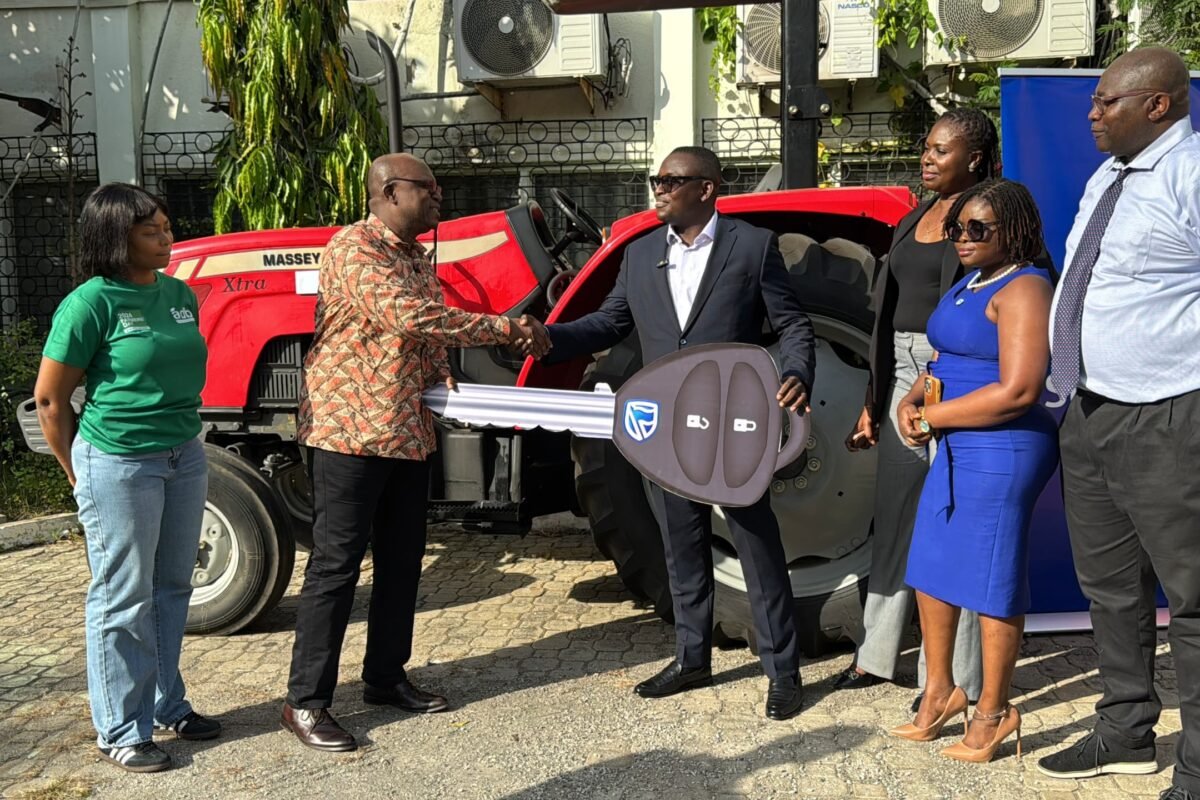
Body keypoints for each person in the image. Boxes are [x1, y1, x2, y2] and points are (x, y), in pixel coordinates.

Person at [281, 153, 550, 752]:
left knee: (402, 563)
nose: (438, 198)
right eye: (428, 190)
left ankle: (384, 677)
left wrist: (440, 373)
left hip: (406, 430)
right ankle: (305, 701)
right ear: (390, 191)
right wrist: (508, 327)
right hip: (349, 432)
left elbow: (421, 338)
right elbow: (409, 315)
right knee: (336, 568)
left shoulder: (416, 258)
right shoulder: (354, 249)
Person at [541, 146, 815, 720]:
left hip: (731, 427)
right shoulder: (640, 256)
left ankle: (783, 672)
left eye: (670, 180)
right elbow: (609, 322)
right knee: (680, 542)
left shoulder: (752, 246)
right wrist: (548, 338)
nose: (657, 188)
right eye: (655, 179)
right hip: (668, 427)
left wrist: (795, 371)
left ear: (707, 189)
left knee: (756, 545)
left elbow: (791, 323)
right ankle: (692, 659)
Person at [1036, 48, 1200, 800]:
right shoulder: (1110, 176)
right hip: (1089, 407)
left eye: (1106, 102)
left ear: (1157, 106)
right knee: (1111, 587)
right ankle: (1126, 731)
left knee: (1191, 598)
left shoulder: (1191, 175)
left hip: (1169, 414)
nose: (1092, 114)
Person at [33, 183, 218, 773]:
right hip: (117, 461)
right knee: (122, 597)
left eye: (166, 228)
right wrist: (76, 473)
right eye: (151, 231)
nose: (166, 239)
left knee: (172, 588)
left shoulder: (178, 293)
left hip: (182, 454)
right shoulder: (90, 303)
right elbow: (49, 400)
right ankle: (119, 729)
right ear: (116, 237)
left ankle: (168, 705)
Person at [887, 178, 1058, 763]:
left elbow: (1020, 389)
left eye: (977, 229)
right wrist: (912, 400)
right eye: (958, 228)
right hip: (956, 441)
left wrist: (933, 414)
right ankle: (939, 692)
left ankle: (994, 711)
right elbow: (943, 357)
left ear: (1012, 231)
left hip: (1003, 449)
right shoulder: (971, 282)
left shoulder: (1025, 287)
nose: (962, 237)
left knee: (990, 578)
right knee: (931, 564)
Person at [838, 108, 1001, 701]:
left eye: (940, 150)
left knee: (954, 527)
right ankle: (876, 655)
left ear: (975, 159)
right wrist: (872, 398)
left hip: (960, 374)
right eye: (926, 148)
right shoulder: (914, 218)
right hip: (902, 377)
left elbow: (1012, 294)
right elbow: (885, 314)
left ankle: (958, 678)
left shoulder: (993, 214)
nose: (927, 158)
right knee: (897, 522)